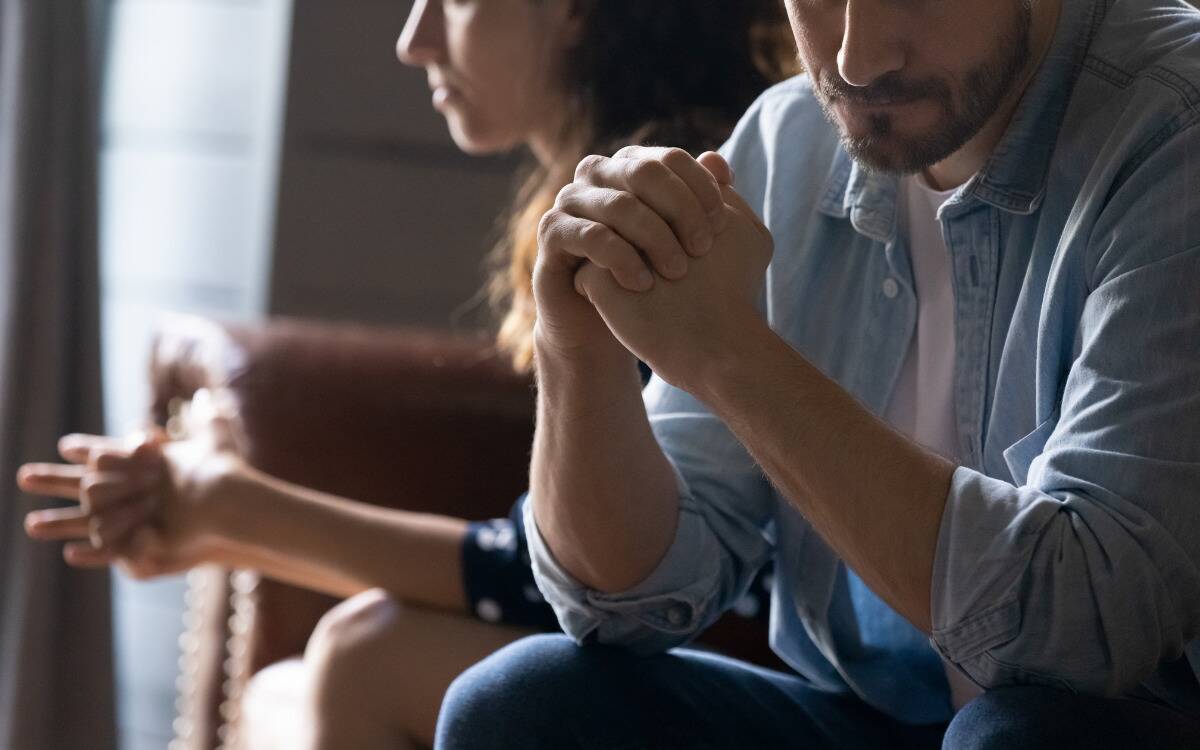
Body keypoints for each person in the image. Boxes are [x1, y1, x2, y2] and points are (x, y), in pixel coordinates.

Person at [15, 1, 795, 749]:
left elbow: (571, 579)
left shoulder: (670, 207)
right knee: (308, 687)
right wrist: (218, 519)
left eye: (453, 1)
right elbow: (541, 562)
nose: (413, 40)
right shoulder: (613, 191)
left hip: (751, 661)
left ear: (573, 8)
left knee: (368, 656)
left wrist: (233, 513)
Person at [433, 0, 1200, 747]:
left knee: (1023, 734)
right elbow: (624, 598)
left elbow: (1088, 629)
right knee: (521, 704)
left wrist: (733, 356)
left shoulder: (1174, 127)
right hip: (888, 717)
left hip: (1123, 721)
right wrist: (577, 344)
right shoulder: (791, 137)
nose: (855, 59)